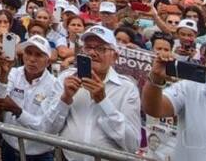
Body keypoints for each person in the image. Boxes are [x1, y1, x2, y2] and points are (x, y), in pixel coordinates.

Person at [44, 25, 141, 161]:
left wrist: (104, 102)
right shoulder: (66, 79)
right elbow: (48, 130)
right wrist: (65, 99)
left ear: (115, 56)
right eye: (88, 47)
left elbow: (132, 144)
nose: (93, 53)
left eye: (101, 48)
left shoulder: (127, 89)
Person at [0, 35, 59, 161]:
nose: (32, 59)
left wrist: (17, 110)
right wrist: (4, 74)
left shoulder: (55, 85)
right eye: (28, 53)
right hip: (9, 148)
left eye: (38, 55)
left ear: (48, 61)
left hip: (39, 155)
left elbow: (45, 126)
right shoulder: (13, 73)